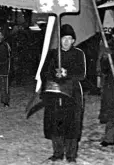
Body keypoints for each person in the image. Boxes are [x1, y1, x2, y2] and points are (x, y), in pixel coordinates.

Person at [41, 24, 86, 163]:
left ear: (73, 41)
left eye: (69, 39)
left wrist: (67, 74)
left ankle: (71, 155)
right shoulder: (53, 53)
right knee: (56, 123)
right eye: (63, 38)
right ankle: (58, 152)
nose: (66, 41)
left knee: (72, 123)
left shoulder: (79, 53)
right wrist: (55, 74)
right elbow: (44, 72)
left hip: (72, 94)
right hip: (55, 93)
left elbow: (82, 74)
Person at [0, 30, 11, 107]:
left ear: (3, 36)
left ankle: (5, 101)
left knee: (4, 86)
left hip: (3, 69)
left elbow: (7, 57)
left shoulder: (5, 45)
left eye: (0, 35)